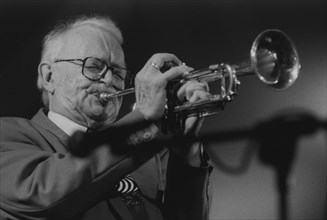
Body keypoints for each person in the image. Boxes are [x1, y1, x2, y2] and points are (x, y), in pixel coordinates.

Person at [0, 15, 212, 220]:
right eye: (93, 66)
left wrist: (186, 150)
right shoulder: (9, 133)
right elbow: (40, 194)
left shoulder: (147, 152)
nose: (110, 79)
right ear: (49, 76)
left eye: (118, 72)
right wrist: (143, 117)